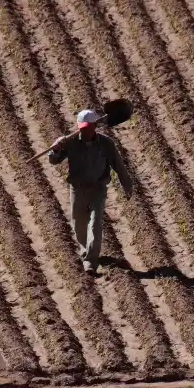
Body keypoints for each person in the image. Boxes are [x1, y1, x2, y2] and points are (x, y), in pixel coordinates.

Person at [48, 109, 133, 274]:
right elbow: (54, 161)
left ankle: (90, 262)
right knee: (79, 224)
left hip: (98, 188)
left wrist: (127, 185)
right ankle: (86, 251)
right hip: (77, 189)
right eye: (82, 128)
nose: (85, 131)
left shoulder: (106, 143)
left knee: (95, 223)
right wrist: (56, 149)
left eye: (87, 128)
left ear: (95, 126)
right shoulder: (70, 142)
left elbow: (118, 164)